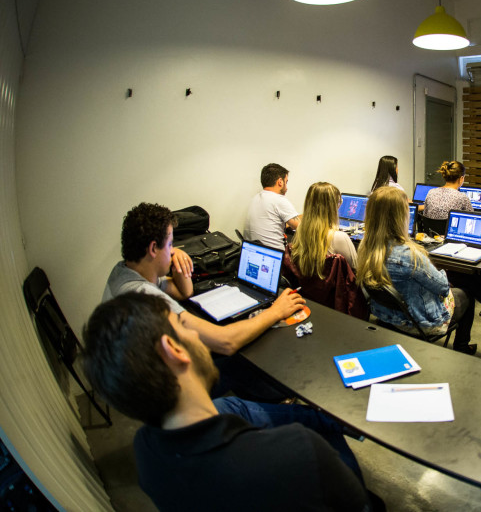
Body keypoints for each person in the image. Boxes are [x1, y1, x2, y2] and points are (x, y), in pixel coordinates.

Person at [83, 292, 372, 511]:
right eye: (183, 326)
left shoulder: (145, 449)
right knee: (328, 432)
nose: (195, 334)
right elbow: (353, 501)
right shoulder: (300, 449)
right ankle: (340, 422)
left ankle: (328, 417)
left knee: (231, 406)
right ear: (173, 350)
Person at [102, 202, 305, 357]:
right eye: (171, 244)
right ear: (153, 248)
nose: (174, 250)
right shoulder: (143, 297)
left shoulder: (125, 271)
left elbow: (185, 292)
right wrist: (276, 312)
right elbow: (226, 342)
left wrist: (178, 257)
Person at [356, 187, 477, 354]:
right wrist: (441, 271)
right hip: (418, 323)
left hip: (384, 316)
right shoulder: (410, 255)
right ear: (401, 217)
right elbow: (443, 287)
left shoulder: (365, 247)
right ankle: (462, 347)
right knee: (468, 294)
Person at [292, 182, 357, 274]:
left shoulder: (300, 230)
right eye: (339, 202)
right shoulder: (339, 237)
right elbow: (355, 270)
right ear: (333, 206)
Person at [243, 163, 301, 250]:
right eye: (286, 182)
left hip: (253, 251)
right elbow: (299, 226)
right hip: (275, 255)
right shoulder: (279, 200)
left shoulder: (256, 198)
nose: (286, 188)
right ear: (280, 182)